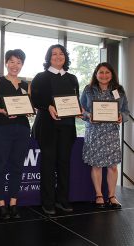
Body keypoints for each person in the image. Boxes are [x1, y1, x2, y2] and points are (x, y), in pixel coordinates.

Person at [31, 44, 79, 215]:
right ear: (48, 58)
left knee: (64, 163)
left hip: (67, 127)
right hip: (47, 126)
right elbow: (34, 100)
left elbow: (76, 101)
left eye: (61, 54)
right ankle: (48, 202)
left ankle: (62, 200)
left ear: (65, 57)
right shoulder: (41, 77)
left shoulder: (72, 78)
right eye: (54, 54)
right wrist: (47, 106)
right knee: (49, 164)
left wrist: (79, 110)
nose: (58, 57)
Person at [0, 49, 31, 220]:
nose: (15, 65)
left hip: (23, 129)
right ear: (6, 63)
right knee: (0, 166)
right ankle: (1, 204)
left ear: (22, 65)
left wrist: (29, 111)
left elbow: (29, 105)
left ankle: (13, 203)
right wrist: (3, 111)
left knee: (17, 167)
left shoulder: (27, 85)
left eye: (18, 62)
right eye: (11, 61)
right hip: (2, 128)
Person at [80, 62, 129, 209]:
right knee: (96, 165)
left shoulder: (119, 90)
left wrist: (121, 116)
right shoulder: (88, 90)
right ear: (96, 74)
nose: (104, 75)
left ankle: (112, 196)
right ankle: (99, 195)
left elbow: (126, 110)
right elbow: (80, 109)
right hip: (94, 132)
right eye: (101, 72)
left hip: (111, 133)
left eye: (107, 72)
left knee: (112, 166)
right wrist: (89, 115)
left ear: (112, 74)